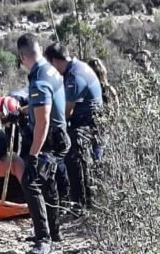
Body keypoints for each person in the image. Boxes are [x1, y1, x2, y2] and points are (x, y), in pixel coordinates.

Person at [16, 33, 71, 254]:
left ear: (22, 56)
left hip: (49, 139)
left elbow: (43, 120)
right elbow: (43, 106)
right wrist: (22, 111)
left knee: (31, 180)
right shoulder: (49, 70)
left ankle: (43, 240)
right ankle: (54, 232)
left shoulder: (39, 79)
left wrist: (33, 154)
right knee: (48, 184)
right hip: (58, 136)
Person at [44, 43, 103, 212]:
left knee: (71, 156)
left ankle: (80, 204)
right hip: (84, 121)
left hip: (87, 124)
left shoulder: (75, 77)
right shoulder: (75, 68)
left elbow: (66, 113)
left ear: (55, 61)